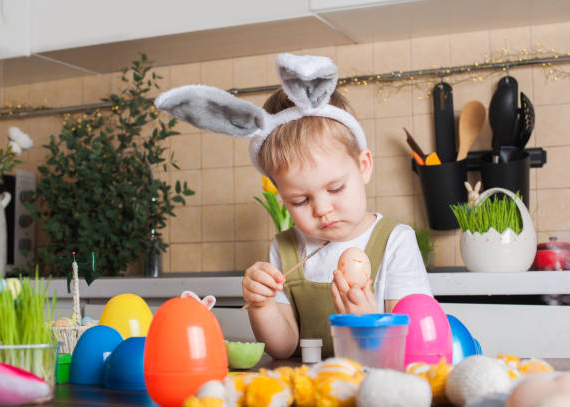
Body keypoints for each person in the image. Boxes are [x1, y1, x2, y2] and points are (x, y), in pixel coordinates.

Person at [154, 53, 432, 359]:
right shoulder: (285, 248)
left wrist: (368, 324)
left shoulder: (395, 242)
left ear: (364, 166)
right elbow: (282, 347)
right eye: (300, 200)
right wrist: (262, 305)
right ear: (282, 195)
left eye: (335, 188)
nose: (323, 209)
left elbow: (417, 345)